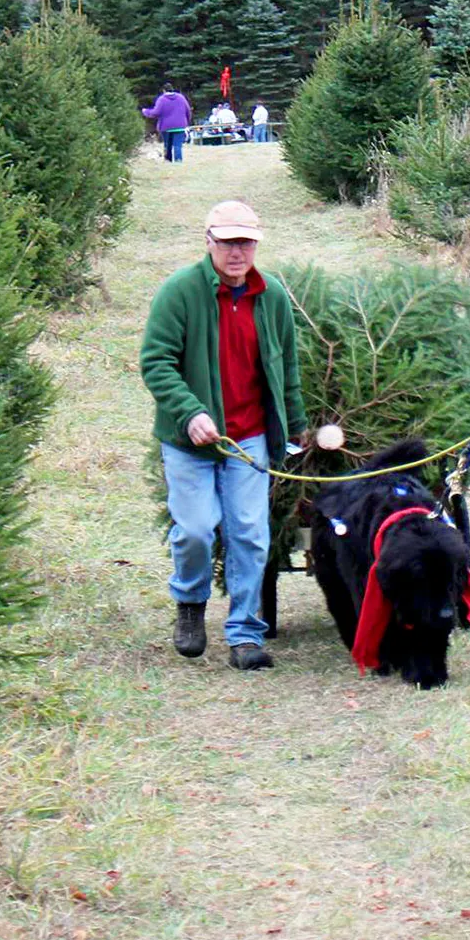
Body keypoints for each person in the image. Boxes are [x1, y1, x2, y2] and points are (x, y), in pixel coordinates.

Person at [140, 200, 308, 670]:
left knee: (250, 534)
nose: (237, 251)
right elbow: (156, 362)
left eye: (246, 242)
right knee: (194, 530)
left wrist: (296, 428)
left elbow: (286, 369)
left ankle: (245, 635)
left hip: (249, 438)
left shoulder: (271, 296)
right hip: (189, 440)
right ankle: (190, 605)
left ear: (256, 244)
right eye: (228, 241)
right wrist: (190, 412)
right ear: (208, 241)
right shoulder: (180, 292)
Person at [142, 82, 192, 163]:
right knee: (177, 145)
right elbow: (188, 110)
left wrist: (145, 112)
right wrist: (187, 121)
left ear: (164, 91)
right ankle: (178, 161)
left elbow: (155, 112)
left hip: (166, 127)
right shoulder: (181, 97)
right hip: (180, 126)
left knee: (167, 145)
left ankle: (168, 161)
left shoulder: (161, 99)